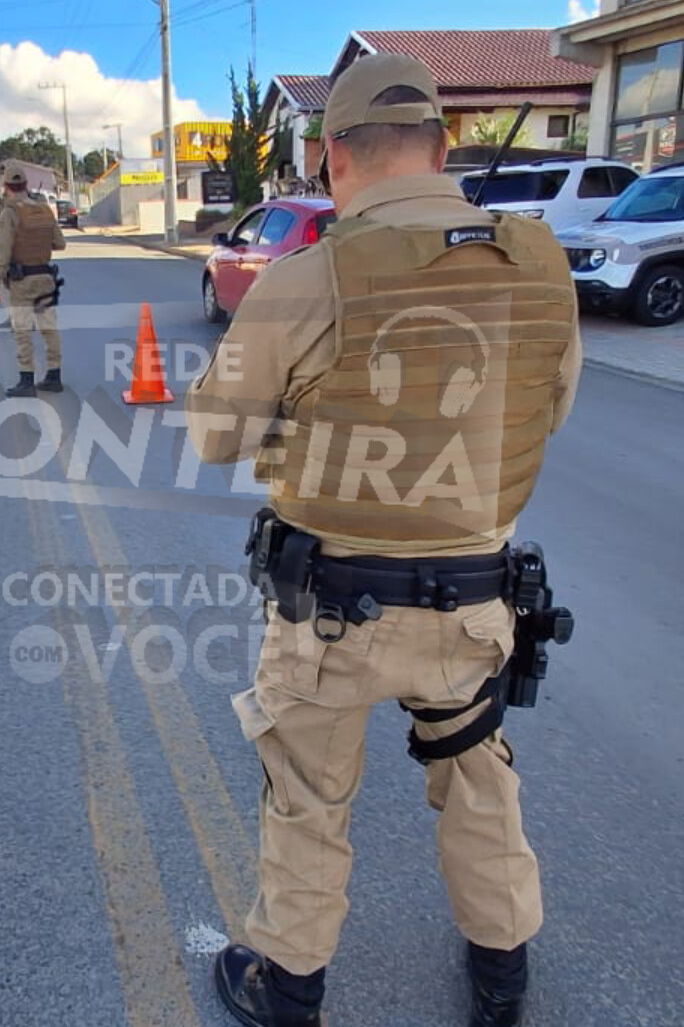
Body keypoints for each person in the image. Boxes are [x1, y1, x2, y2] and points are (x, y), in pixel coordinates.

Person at [185, 52, 582, 1027]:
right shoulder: (540, 262)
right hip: (472, 604)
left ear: (332, 160)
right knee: (480, 782)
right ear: (443, 147)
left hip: (327, 614)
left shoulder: (302, 280)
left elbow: (216, 434)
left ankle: (288, 993)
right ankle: (501, 985)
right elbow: (552, 410)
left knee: (307, 803)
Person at [0, 164, 66, 395]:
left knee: (22, 330)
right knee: (49, 328)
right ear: (26, 184)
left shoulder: (10, 212)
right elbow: (60, 244)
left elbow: (3, 253)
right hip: (45, 278)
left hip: (22, 282)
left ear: (6, 187)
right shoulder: (44, 210)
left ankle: (26, 381)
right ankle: (54, 376)